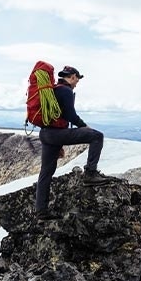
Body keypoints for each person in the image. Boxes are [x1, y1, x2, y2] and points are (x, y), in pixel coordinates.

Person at [35, 65, 113, 220]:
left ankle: (41, 211)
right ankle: (90, 173)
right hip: (56, 134)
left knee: (46, 172)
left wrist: (59, 144)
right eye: (77, 79)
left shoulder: (53, 90)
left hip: (46, 134)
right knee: (97, 136)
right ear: (72, 77)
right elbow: (71, 115)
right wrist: (84, 126)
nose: (77, 83)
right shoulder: (66, 91)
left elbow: (58, 118)